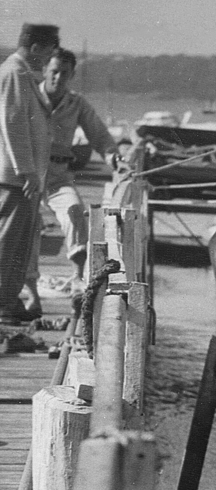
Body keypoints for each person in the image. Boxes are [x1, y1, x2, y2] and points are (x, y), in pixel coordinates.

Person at [22, 46, 119, 315]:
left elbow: (99, 134)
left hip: (57, 176)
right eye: (53, 72)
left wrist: (113, 157)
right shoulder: (28, 98)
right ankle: (32, 296)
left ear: (71, 75)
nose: (58, 78)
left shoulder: (77, 104)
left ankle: (78, 280)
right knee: (28, 230)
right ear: (44, 71)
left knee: (75, 210)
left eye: (64, 73)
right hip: (28, 176)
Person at [0, 23, 58, 323]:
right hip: (15, 178)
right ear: (35, 48)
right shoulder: (14, 73)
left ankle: (9, 301)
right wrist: (26, 170)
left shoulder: (22, 74)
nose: (48, 61)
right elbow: (12, 124)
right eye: (47, 54)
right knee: (8, 241)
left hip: (23, 177)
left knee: (19, 243)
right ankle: (2, 304)